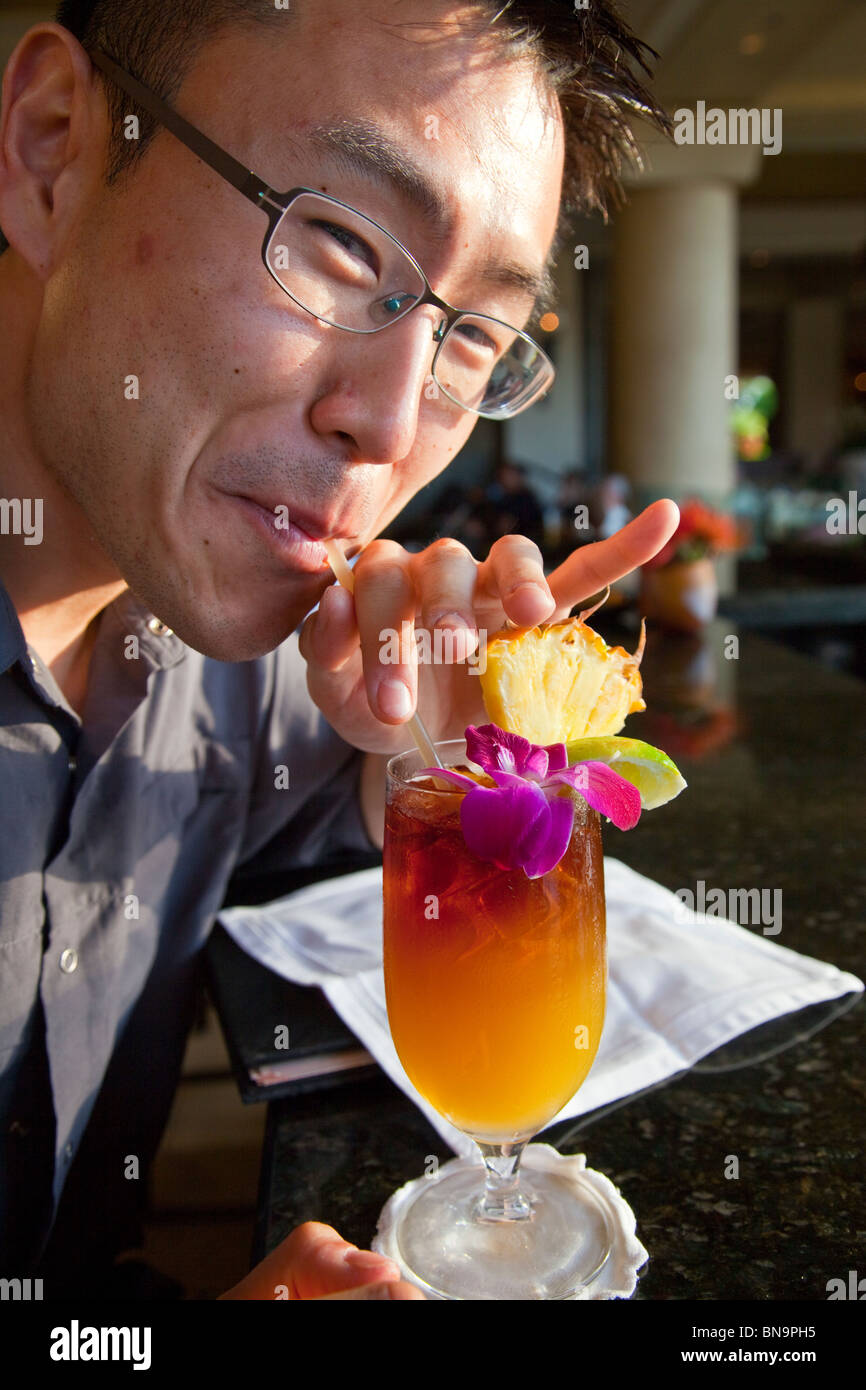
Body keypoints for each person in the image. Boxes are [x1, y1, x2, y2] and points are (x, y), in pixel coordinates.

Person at [0, 0, 676, 1299]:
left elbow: (317, 814)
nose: (389, 420)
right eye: (335, 240)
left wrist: (415, 742)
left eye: (471, 334)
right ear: (52, 148)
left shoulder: (200, 654)